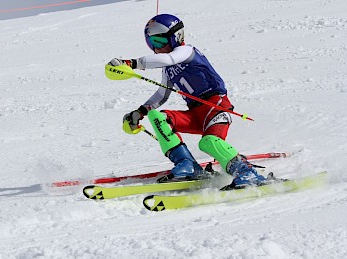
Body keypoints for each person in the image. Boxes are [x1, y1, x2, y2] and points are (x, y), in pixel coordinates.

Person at [108, 13, 266, 188]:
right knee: (158, 117)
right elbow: (162, 95)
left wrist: (131, 63)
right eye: (152, 43)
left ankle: (247, 173)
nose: (156, 48)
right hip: (195, 114)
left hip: (215, 108)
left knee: (208, 142)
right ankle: (188, 166)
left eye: (159, 42)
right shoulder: (168, 69)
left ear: (176, 37)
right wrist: (140, 112)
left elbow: (169, 58)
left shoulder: (186, 51)